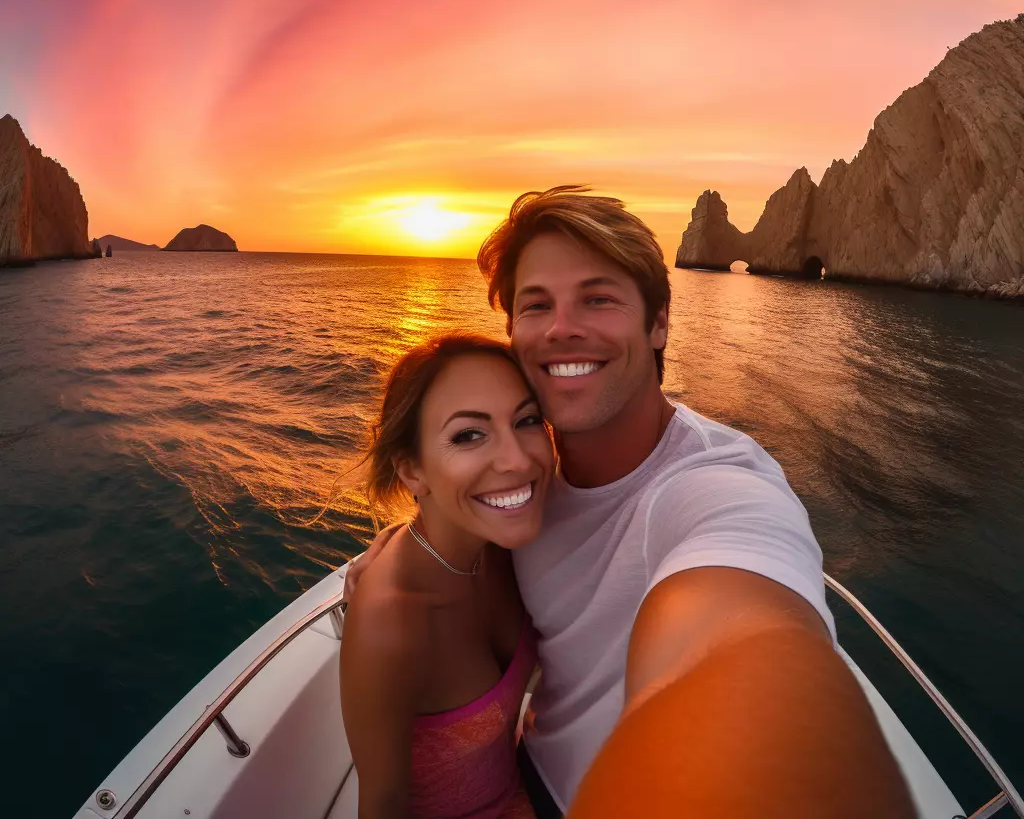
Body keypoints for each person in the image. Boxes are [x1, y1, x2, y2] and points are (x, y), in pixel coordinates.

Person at [347, 186, 914, 818]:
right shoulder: (531, 481)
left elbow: (742, 645)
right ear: (514, 335)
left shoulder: (713, 488)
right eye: (537, 305)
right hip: (530, 770)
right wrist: (400, 560)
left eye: (599, 298)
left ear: (659, 322)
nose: (564, 327)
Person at [340, 332, 554, 819]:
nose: (518, 460)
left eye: (526, 420)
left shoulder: (504, 546)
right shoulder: (390, 624)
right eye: (468, 435)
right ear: (412, 471)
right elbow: (382, 807)